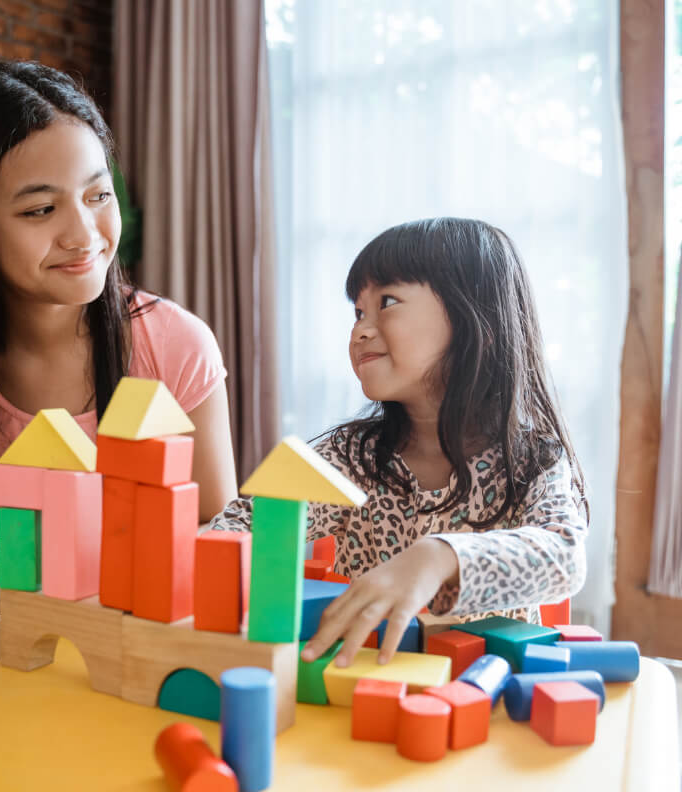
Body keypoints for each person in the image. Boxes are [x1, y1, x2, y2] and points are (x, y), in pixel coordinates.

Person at [0, 61, 237, 633]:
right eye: (40, 209)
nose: (84, 235)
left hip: (153, 634)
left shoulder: (173, 344)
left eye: (98, 194)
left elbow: (222, 532)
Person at [210, 217, 588, 667]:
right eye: (357, 312)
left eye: (386, 302)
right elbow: (231, 537)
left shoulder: (531, 460)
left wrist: (437, 557)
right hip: (363, 690)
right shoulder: (351, 459)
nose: (360, 331)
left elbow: (565, 558)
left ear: (471, 313)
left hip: (482, 696)